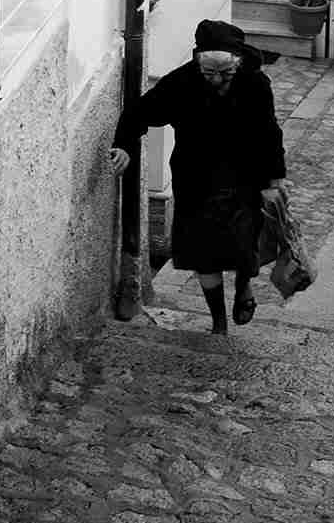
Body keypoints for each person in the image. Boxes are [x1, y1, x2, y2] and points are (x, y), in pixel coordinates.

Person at [109, 19, 285, 334]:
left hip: (245, 178)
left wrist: (274, 181)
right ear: (198, 61)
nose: (217, 78)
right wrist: (123, 145)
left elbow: (270, 134)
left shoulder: (255, 83)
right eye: (209, 72)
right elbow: (138, 112)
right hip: (196, 181)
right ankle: (219, 324)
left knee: (245, 245)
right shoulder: (181, 83)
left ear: (238, 62)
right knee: (204, 255)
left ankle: (243, 287)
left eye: (225, 72)